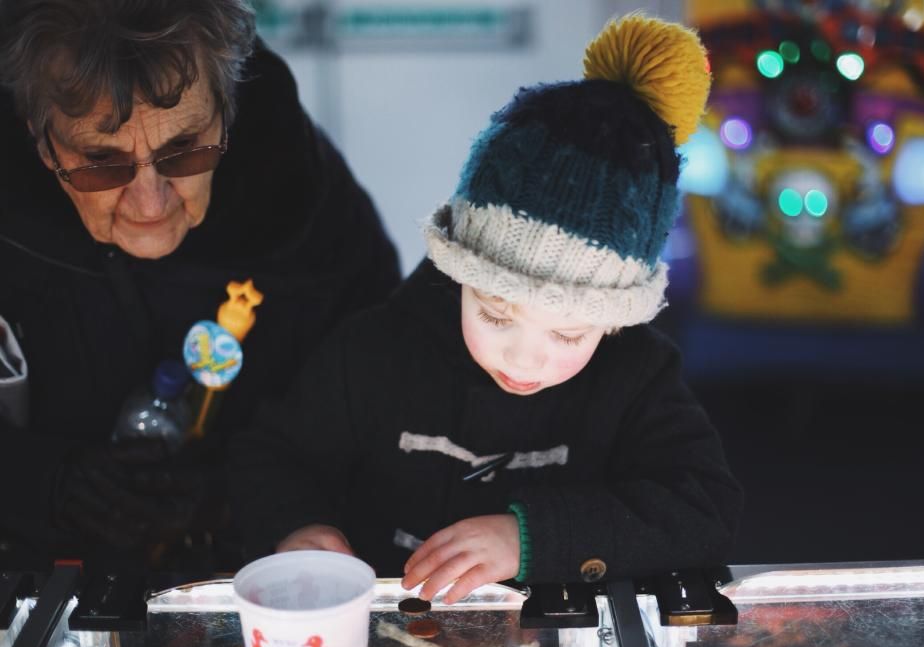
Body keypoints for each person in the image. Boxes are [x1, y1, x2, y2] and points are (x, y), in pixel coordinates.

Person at [230, 15, 742, 601]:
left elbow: (704, 508)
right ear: (460, 275)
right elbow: (269, 455)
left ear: (615, 318)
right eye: (497, 316)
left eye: (570, 335)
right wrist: (296, 525)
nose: (526, 358)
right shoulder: (373, 351)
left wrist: (531, 540)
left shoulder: (635, 377)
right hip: (383, 642)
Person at [0, 0, 400, 570]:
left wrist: (233, 493)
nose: (150, 202)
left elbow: (385, 394)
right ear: (39, 141)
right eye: (100, 163)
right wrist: (41, 483)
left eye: (183, 150)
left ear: (227, 112)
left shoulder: (301, 194)